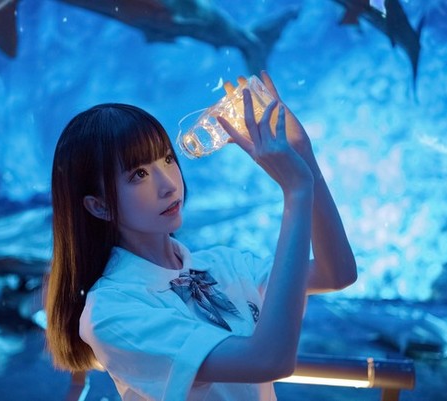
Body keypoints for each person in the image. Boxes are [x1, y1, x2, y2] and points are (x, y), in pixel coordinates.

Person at [45, 71, 357, 401]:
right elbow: (268, 360)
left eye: (167, 159)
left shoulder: (223, 263)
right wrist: (296, 192)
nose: (168, 184)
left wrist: (303, 154)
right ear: (99, 206)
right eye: (139, 174)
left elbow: (336, 273)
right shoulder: (112, 310)